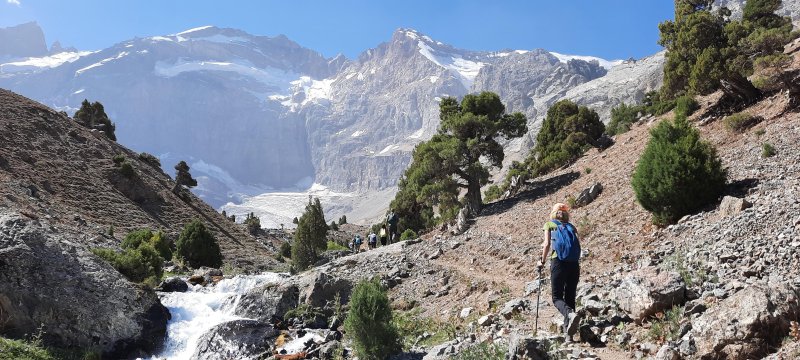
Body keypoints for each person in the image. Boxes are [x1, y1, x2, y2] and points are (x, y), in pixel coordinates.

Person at [538, 203, 582, 341]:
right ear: (565, 214)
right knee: (570, 296)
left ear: (554, 212)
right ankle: (569, 335)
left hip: (558, 262)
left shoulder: (549, 225)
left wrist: (542, 261)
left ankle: (569, 314)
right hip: (574, 264)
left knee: (557, 297)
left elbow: (546, 244)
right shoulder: (571, 227)